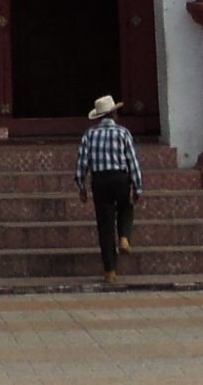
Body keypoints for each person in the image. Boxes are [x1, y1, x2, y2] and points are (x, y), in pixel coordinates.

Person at [74, 94, 142, 287]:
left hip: (100, 180)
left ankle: (110, 271)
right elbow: (132, 161)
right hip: (120, 178)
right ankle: (124, 237)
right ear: (113, 113)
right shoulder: (123, 133)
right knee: (126, 207)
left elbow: (82, 163)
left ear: (98, 116)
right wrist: (138, 186)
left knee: (104, 226)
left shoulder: (89, 135)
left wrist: (81, 186)